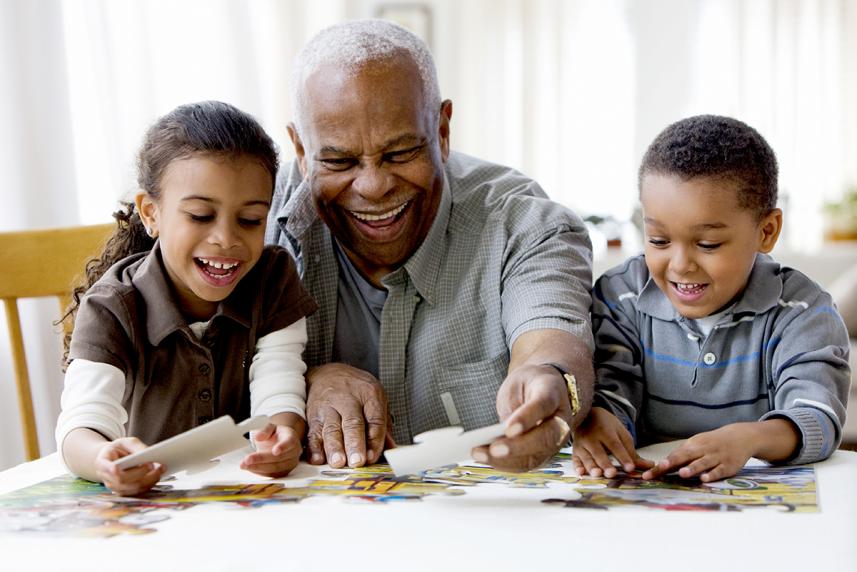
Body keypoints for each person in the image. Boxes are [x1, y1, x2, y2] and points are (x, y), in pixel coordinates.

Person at [266, 20, 595, 472]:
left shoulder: (523, 224)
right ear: (301, 149)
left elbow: (553, 343)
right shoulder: (251, 218)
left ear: (442, 130)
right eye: (339, 160)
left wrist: (551, 384)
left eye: (400, 154)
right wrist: (298, 381)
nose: (374, 185)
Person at [56, 101, 318, 495]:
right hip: (152, 509)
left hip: (246, 501)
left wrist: (282, 435)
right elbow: (80, 427)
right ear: (151, 213)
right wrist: (104, 459)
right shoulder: (113, 306)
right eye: (199, 215)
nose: (226, 239)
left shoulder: (272, 279)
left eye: (250, 220)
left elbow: (279, 381)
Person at [573, 114, 850, 482]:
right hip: (644, 499)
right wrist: (596, 419)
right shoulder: (620, 295)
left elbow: (817, 416)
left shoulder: (802, 310)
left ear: (766, 231)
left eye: (708, 244)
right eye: (658, 240)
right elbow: (611, 386)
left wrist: (749, 438)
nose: (680, 264)